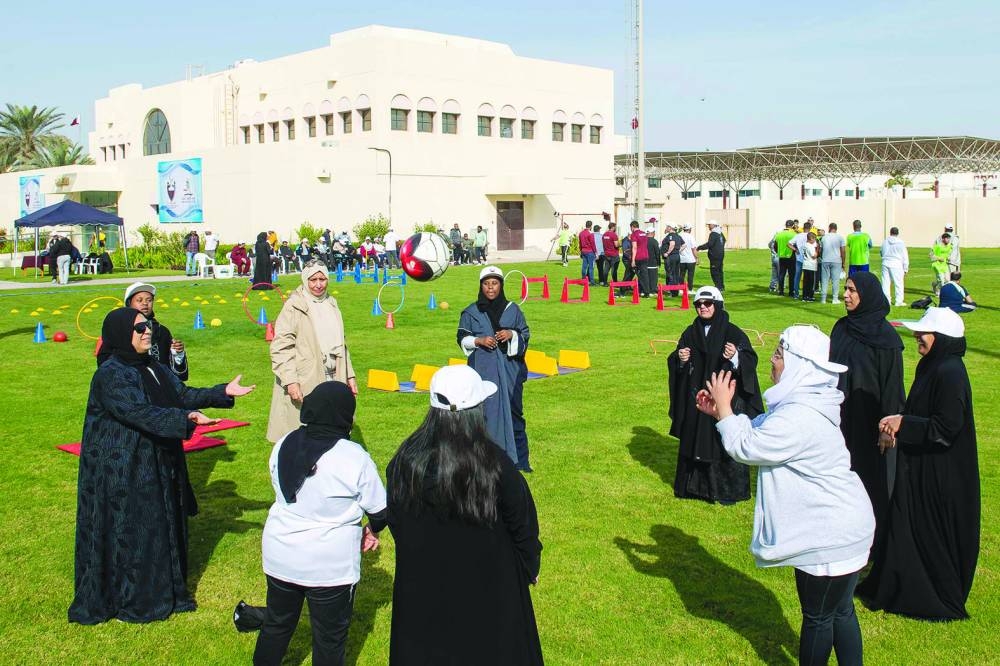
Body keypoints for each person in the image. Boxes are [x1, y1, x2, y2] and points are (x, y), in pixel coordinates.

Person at [696, 326, 874, 666]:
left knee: (820, 617)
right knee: (840, 611)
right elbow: (761, 428)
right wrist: (723, 414)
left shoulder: (800, 416)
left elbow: (748, 446)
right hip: (848, 526)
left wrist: (725, 406)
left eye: (779, 355)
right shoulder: (805, 402)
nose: (772, 362)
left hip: (831, 534)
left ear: (799, 365)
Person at [69, 307, 254, 624]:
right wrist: (185, 420)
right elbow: (137, 412)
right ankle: (137, 599)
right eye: (139, 328)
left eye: (148, 326)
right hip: (123, 467)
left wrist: (221, 392)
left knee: (161, 524)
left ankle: (167, 590)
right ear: (119, 334)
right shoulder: (111, 374)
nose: (147, 332)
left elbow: (181, 394)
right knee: (136, 530)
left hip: (154, 460)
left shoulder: (153, 365)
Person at [386, 365, 543, 666]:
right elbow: (523, 526)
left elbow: (396, 520)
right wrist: (529, 565)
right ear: (477, 410)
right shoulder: (497, 466)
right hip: (491, 596)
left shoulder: (404, 462)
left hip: (424, 593)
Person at [858, 308, 979, 621]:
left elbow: (946, 427)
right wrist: (897, 428)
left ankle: (929, 594)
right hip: (922, 468)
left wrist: (903, 424)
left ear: (941, 339)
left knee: (930, 534)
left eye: (923, 333)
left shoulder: (950, 372)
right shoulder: (934, 366)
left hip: (940, 475)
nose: (916, 337)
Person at [254, 382, 387, 665]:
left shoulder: (283, 443)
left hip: (280, 553)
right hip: (329, 566)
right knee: (329, 638)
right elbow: (380, 510)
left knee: (276, 624)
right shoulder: (353, 457)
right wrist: (372, 530)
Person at [830, 272, 905, 563]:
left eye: (851, 290)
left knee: (870, 482)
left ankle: (874, 543)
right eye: (845, 289)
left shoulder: (886, 339)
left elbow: (892, 387)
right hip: (841, 419)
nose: (845, 295)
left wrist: (888, 427)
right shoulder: (841, 328)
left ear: (867, 294)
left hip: (871, 422)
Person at [668, 286, 763, 504]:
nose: (702, 308)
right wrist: (680, 359)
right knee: (694, 439)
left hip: (724, 401)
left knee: (721, 441)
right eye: (698, 304)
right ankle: (693, 489)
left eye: (707, 304)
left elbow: (750, 360)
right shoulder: (690, 333)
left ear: (717, 305)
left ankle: (724, 490)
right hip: (697, 400)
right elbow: (678, 362)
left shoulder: (733, 332)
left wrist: (737, 357)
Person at [267, 261, 358, 442]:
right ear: (305, 279)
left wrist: (350, 376)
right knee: (303, 435)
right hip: (305, 379)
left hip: (333, 377)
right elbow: (281, 347)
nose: (318, 284)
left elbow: (342, 343)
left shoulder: (331, 303)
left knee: (333, 431)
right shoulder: (294, 306)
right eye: (313, 279)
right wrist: (291, 381)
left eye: (322, 279)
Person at [457, 266, 531, 471]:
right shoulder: (471, 312)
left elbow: (525, 335)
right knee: (482, 415)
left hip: (510, 374)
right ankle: (482, 461)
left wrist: (511, 335)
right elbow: (461, 337)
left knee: (514, 413)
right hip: (482, 372)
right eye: (486, 284)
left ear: (501, 285)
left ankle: (520, 461)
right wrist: (478, 340)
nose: (490, 288)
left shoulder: (513, 310)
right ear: (481, 286)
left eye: (495, 283)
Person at [124, 282, 190, 380]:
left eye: (149, 300)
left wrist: (178, 356)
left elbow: (179, 376)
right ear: (129, 303)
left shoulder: (162, 331)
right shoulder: (120, 331)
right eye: (139, 300)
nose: (145, 303)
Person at [880, 227, 909, 307]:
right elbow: (904, 256)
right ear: (897, 233)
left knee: (885, 283)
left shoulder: (885, 241)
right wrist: (906, 267)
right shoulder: (900, 242)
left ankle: (886, 301)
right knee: (898, 283)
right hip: (896, 264)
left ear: (890, 232)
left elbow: (881, 252)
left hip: (885, 263)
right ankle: (898, 301)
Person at [819, 222, 846, 304]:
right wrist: (843, 262)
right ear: (836, 229)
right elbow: (843, 251)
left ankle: (823, 299)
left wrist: (822, 257)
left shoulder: (824, 237)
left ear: (829, 228)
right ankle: (835, 298)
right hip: (836, 260)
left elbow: (820, 249)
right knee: (835, 280)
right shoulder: (840, 237)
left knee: (824, 279)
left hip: (825, 260)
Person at [697, 221, 726, 293]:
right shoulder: (720, 233)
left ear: (713, 225)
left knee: (714, 272)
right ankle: (721, 286)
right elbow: (724, 240)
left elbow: (709, 244)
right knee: (720, 271)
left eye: (709, 225)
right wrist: (720, 247)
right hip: (720, 255)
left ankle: (718, 287)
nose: (708, 226)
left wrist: (699, 247)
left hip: (714, 256)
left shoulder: (713, 233)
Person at [788, 220, 813, 299]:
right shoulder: (811, 236)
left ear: (803, 228)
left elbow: (789, 244)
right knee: (808, 277)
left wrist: (795, 249)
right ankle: (807, 294)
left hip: (799, 258)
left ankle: (796, 293)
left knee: (797, 276)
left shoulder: (798, 235)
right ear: (810, 228)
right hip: (808, 259)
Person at [773, 220, 797, 296]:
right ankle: (791, 292)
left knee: (781, 274)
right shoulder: (794, 234)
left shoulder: (779, 234)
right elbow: (795, 245)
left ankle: (781, 291)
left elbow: (775, 246)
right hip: (791, 256)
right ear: (793, 225)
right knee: (791, 275)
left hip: (781, 256)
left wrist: (778, 252)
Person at [628, 220, 651, 297]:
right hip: (645, 256)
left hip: (638, 257)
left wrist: (633, 260)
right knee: (645, 275)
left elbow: (634, 247)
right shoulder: (644, 233)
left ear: (632, 227)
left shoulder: (634, 234)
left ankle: (623, 290)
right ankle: (647, 292)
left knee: (629, 273)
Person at [661, 223, 684, 295]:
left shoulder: (671, 236)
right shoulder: (678, 235)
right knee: (676, 273)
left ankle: (671, 291)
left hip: (671, 257)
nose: (666, 228)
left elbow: (672, 244)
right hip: (676, 256)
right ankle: (675, 290)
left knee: (670, 273)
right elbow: (684, 245)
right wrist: (678, 251)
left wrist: (667, 253)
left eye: (667, 227)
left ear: (670, 228)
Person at [801, 231, 819, 302]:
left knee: (806, 282)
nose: (814, 240)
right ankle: (810, 296)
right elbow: (814, 256)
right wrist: (817, 250)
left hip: (805, 264)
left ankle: (804, 296)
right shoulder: (810, 246)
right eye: (813, 239)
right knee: (811, 282)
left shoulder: (805, 245)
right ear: (811, 239)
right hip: (811, 265)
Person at [678, 224, 697, 290]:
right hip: (690, 259)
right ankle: (690, 289)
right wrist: (697, 257)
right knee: (690, 275)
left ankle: (681, 288)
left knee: (681, 274)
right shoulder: (691, 237)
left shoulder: (680, 235)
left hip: (681, 259)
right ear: (689, 229)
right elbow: (693, 248)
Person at [578, 220, 597, 286]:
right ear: (591, 226)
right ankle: (591, 281)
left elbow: (580, 243)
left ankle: (583, 279)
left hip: (583, 251)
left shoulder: (581, 233)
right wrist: (596, 252)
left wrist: (581, 250)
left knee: (584, 266)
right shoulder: (590, 234)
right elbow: (593, 244)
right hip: (590, 251)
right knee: (591, 267)